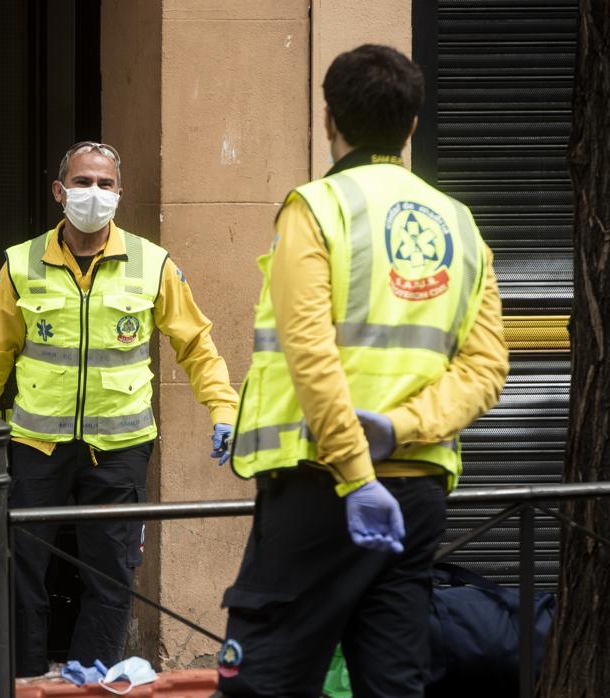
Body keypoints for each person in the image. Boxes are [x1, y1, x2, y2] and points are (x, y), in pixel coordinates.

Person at [214, 45, 509, 698]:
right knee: (392, 684)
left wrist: (353, 466)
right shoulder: (459, 224)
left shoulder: (317, 210)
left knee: (260, 681)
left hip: (323, 488)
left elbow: (310, 354)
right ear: (411, 126)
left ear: (328, 119)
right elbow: (488, 366)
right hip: (415, 494)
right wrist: (400, 428)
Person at [0, 141, 239, 676]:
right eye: (83, 183)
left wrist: (223, 408)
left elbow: (196, 345)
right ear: (59, 192)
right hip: (37, 446)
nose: (94, 194)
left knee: (110, 579)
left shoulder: (153, 265)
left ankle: (92, 687)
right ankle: (27, 682)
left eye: (105, 185)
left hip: (121, 450)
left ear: (120, 195)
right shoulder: (21, 264)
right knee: (22, 574)